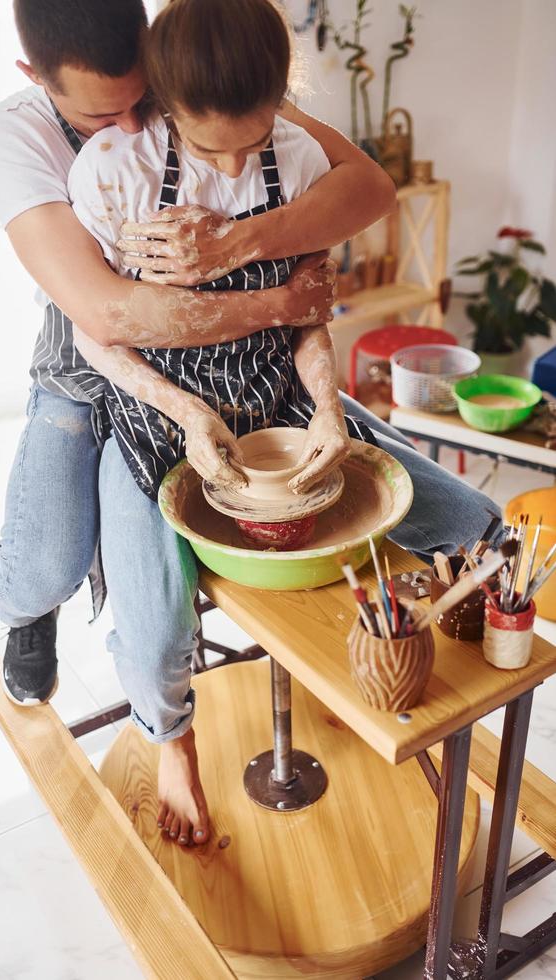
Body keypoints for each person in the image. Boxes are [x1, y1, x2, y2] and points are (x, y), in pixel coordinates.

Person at [65, 0, 503, 849]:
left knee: (477, 527)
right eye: (207, 146)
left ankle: (418, 709)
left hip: (282, 401)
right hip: (160, 413)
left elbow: (306, 314)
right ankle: (176, 748)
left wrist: (333, 407)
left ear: (284, 100)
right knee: (157, 645)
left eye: (252, 142)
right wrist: (190, 413)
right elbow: (96, 331)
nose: (233, 163)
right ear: (163, 102)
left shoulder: (301, 157)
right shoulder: (112, 170)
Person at [0, 0, 396, 707]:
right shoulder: (12, 136)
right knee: (51, 561)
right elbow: (106, 315)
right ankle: (28, 615)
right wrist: (279, 306)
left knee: (388, 487)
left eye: (146, 100)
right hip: (87, 368)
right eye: (101, 120)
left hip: (240, 355)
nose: (135, 128)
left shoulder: (199, 93)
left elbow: (368, 188)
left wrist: (241, 244)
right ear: (35, 79)